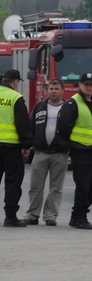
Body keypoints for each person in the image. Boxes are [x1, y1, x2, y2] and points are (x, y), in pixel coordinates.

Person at [0, 69, 32, 227]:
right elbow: (22, 123)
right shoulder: (16, 98)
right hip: (12, 147)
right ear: (15, 82)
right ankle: (10, 217)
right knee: (13, 182)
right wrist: (26, 145)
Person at [23, 79, 68, 226]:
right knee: (36, 186)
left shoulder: (68, 108)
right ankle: (32, 214)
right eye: (51, 88)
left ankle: (50, 216)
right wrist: (27, 146)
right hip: (40, 152)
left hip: (60, 153)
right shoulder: (39, 106)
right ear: (47, 90)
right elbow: (30, 126)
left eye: (56, 89)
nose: (53, 91)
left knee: (56, 187)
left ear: (62, 91)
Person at [57, 71, 92, 229]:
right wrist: (72, 144)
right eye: (86, 85)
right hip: (80, 150)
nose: (89, 88)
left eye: (91, 85)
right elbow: (63, 126)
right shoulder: (73, 103)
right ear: (80, 85)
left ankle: (76, 215)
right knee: (83, 186)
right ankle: (80, 217)